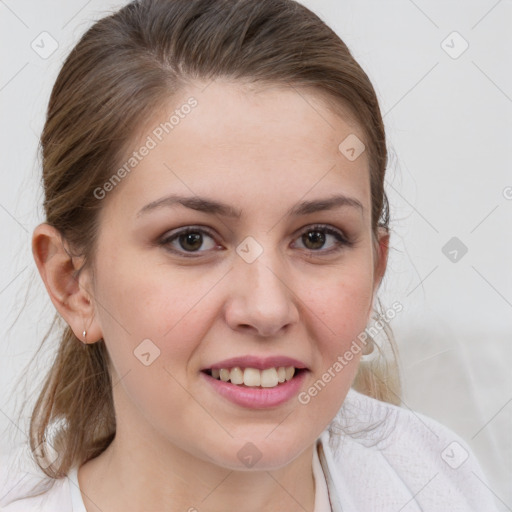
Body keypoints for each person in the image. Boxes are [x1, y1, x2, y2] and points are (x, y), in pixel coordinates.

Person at [0, 0, 499, 510]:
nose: (266, 309)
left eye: (317, 238)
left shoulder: (444, 485)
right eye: (191, 240)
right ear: (72, 283)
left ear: (375, 268)